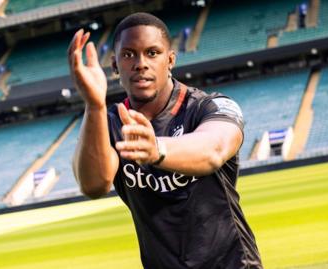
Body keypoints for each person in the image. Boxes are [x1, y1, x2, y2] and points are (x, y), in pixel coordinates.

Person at [68, 12, 263, 269]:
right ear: (115, 66)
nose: (140, 63)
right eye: (128, 54)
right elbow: (94, 184)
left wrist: (156, 149)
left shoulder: (210, 106)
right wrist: (94, 106)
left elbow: (213, 150)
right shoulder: (110, 122)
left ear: (170, 59)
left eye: (152, 53)